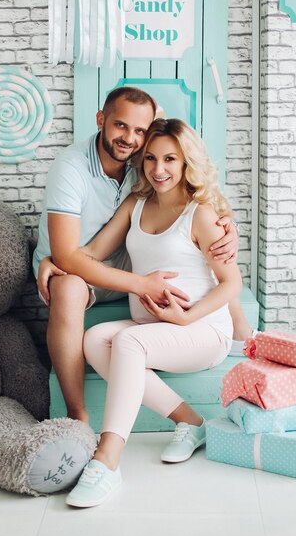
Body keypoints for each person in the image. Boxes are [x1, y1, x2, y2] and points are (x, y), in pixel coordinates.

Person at [33, 87, 249, 425]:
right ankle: (78, 415)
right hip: (83, 265)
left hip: (127, 261)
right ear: (101, 120)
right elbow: (73, 255)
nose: (129, 138)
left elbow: (190, 179)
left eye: (139, 132)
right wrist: (58, 260)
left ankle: (242, 334)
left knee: (217, 265)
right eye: (120, 126)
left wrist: (228, 226)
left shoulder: (144, 160)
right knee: (73, 292)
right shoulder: (72, 167)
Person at [57, 118, 243, 507]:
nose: (159, 170)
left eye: (170, 159)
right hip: (154, 329)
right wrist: (52, 264)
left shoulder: (201, 214)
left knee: (127, 341)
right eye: (151, 159)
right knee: (94, 339)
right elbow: (88, 254)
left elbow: (231, 284)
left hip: (202, 331)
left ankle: (107, 460)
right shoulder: (135, 205)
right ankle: (191, 423)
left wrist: (187, 317)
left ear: (186, 162)